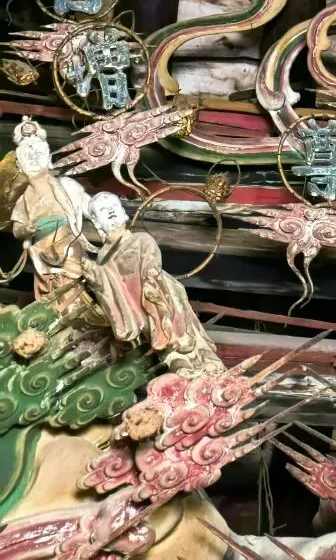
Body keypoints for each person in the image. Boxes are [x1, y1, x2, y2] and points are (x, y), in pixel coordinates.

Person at [81, 191, 224, 376]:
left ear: (123, 212)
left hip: (158, 294)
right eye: (103, 210)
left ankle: (206, 363)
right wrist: (95, 275)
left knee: (181, 333)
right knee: (164, 346)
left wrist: (149, 281)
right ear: (96, 221)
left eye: (114, 207)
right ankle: (181, 365)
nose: (110, 212)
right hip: (134, 303)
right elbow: (109, 286)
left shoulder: (141, 239)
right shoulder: (102, 257)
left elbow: (151, 265)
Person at [9, 117, 91, 306]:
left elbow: (91, 208)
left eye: (38, 152)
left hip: (68, 245)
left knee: (75, 286)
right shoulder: (24, 198)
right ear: (19, 166)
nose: (33, 157)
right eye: (27, 155)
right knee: (51, 293)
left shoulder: (67, 186)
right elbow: (17, 229)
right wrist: (25, 230)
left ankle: (79, 312)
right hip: (42, 252)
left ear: (49, 159)